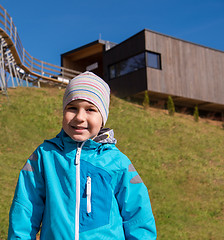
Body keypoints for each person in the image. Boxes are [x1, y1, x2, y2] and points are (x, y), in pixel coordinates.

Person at [8, 71, 157, 239]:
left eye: (90, 109)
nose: (79, 117)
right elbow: (25, 208)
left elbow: (138, 216)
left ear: (103, 118)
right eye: (72, 108)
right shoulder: (45, 156)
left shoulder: (117, 162)